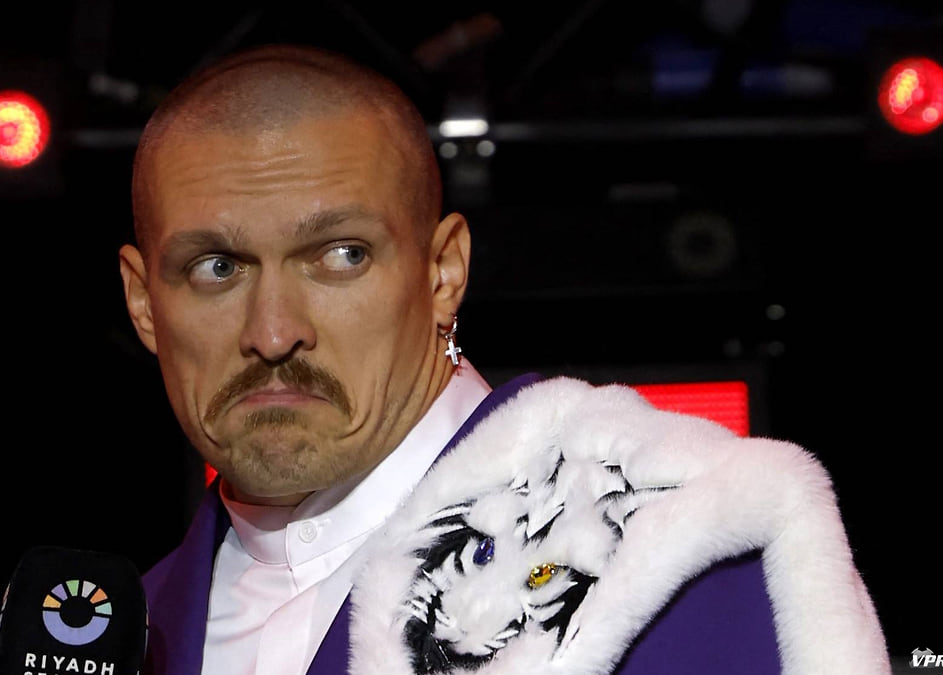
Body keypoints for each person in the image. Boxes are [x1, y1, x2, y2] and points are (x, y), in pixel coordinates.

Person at [118, 42, 891, 675]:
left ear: (443, 273)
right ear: (145, 303)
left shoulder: (688, 549)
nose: (273, 331)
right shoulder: (119, 635)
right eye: (216, 267)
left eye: (342, 255)